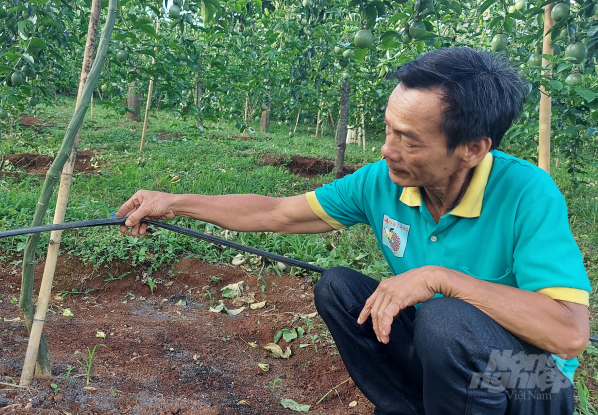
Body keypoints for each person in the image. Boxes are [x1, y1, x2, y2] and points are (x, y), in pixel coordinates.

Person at [117, 47, 591, 414]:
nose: (387, 150)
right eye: (388, 130)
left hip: (533, 380)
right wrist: (175, 203)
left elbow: (569, 335)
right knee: (341, 289)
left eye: (408, 140)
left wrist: (440, 279)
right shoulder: (382, 182)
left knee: (444, 318)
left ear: (472, 148)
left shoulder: (526, 193)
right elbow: (279, 212)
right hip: (449, 362)